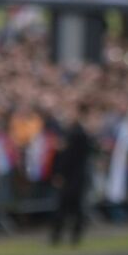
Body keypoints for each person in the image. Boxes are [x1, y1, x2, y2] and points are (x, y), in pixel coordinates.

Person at [50, 105, 91, 246]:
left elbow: (69, 158)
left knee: (69, 207)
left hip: (73, 178)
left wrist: (60, 173)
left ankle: (64, 236)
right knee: (71, 208)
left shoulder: (76, 134)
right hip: (74, 177)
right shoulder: (72, 133)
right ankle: (68, 236)